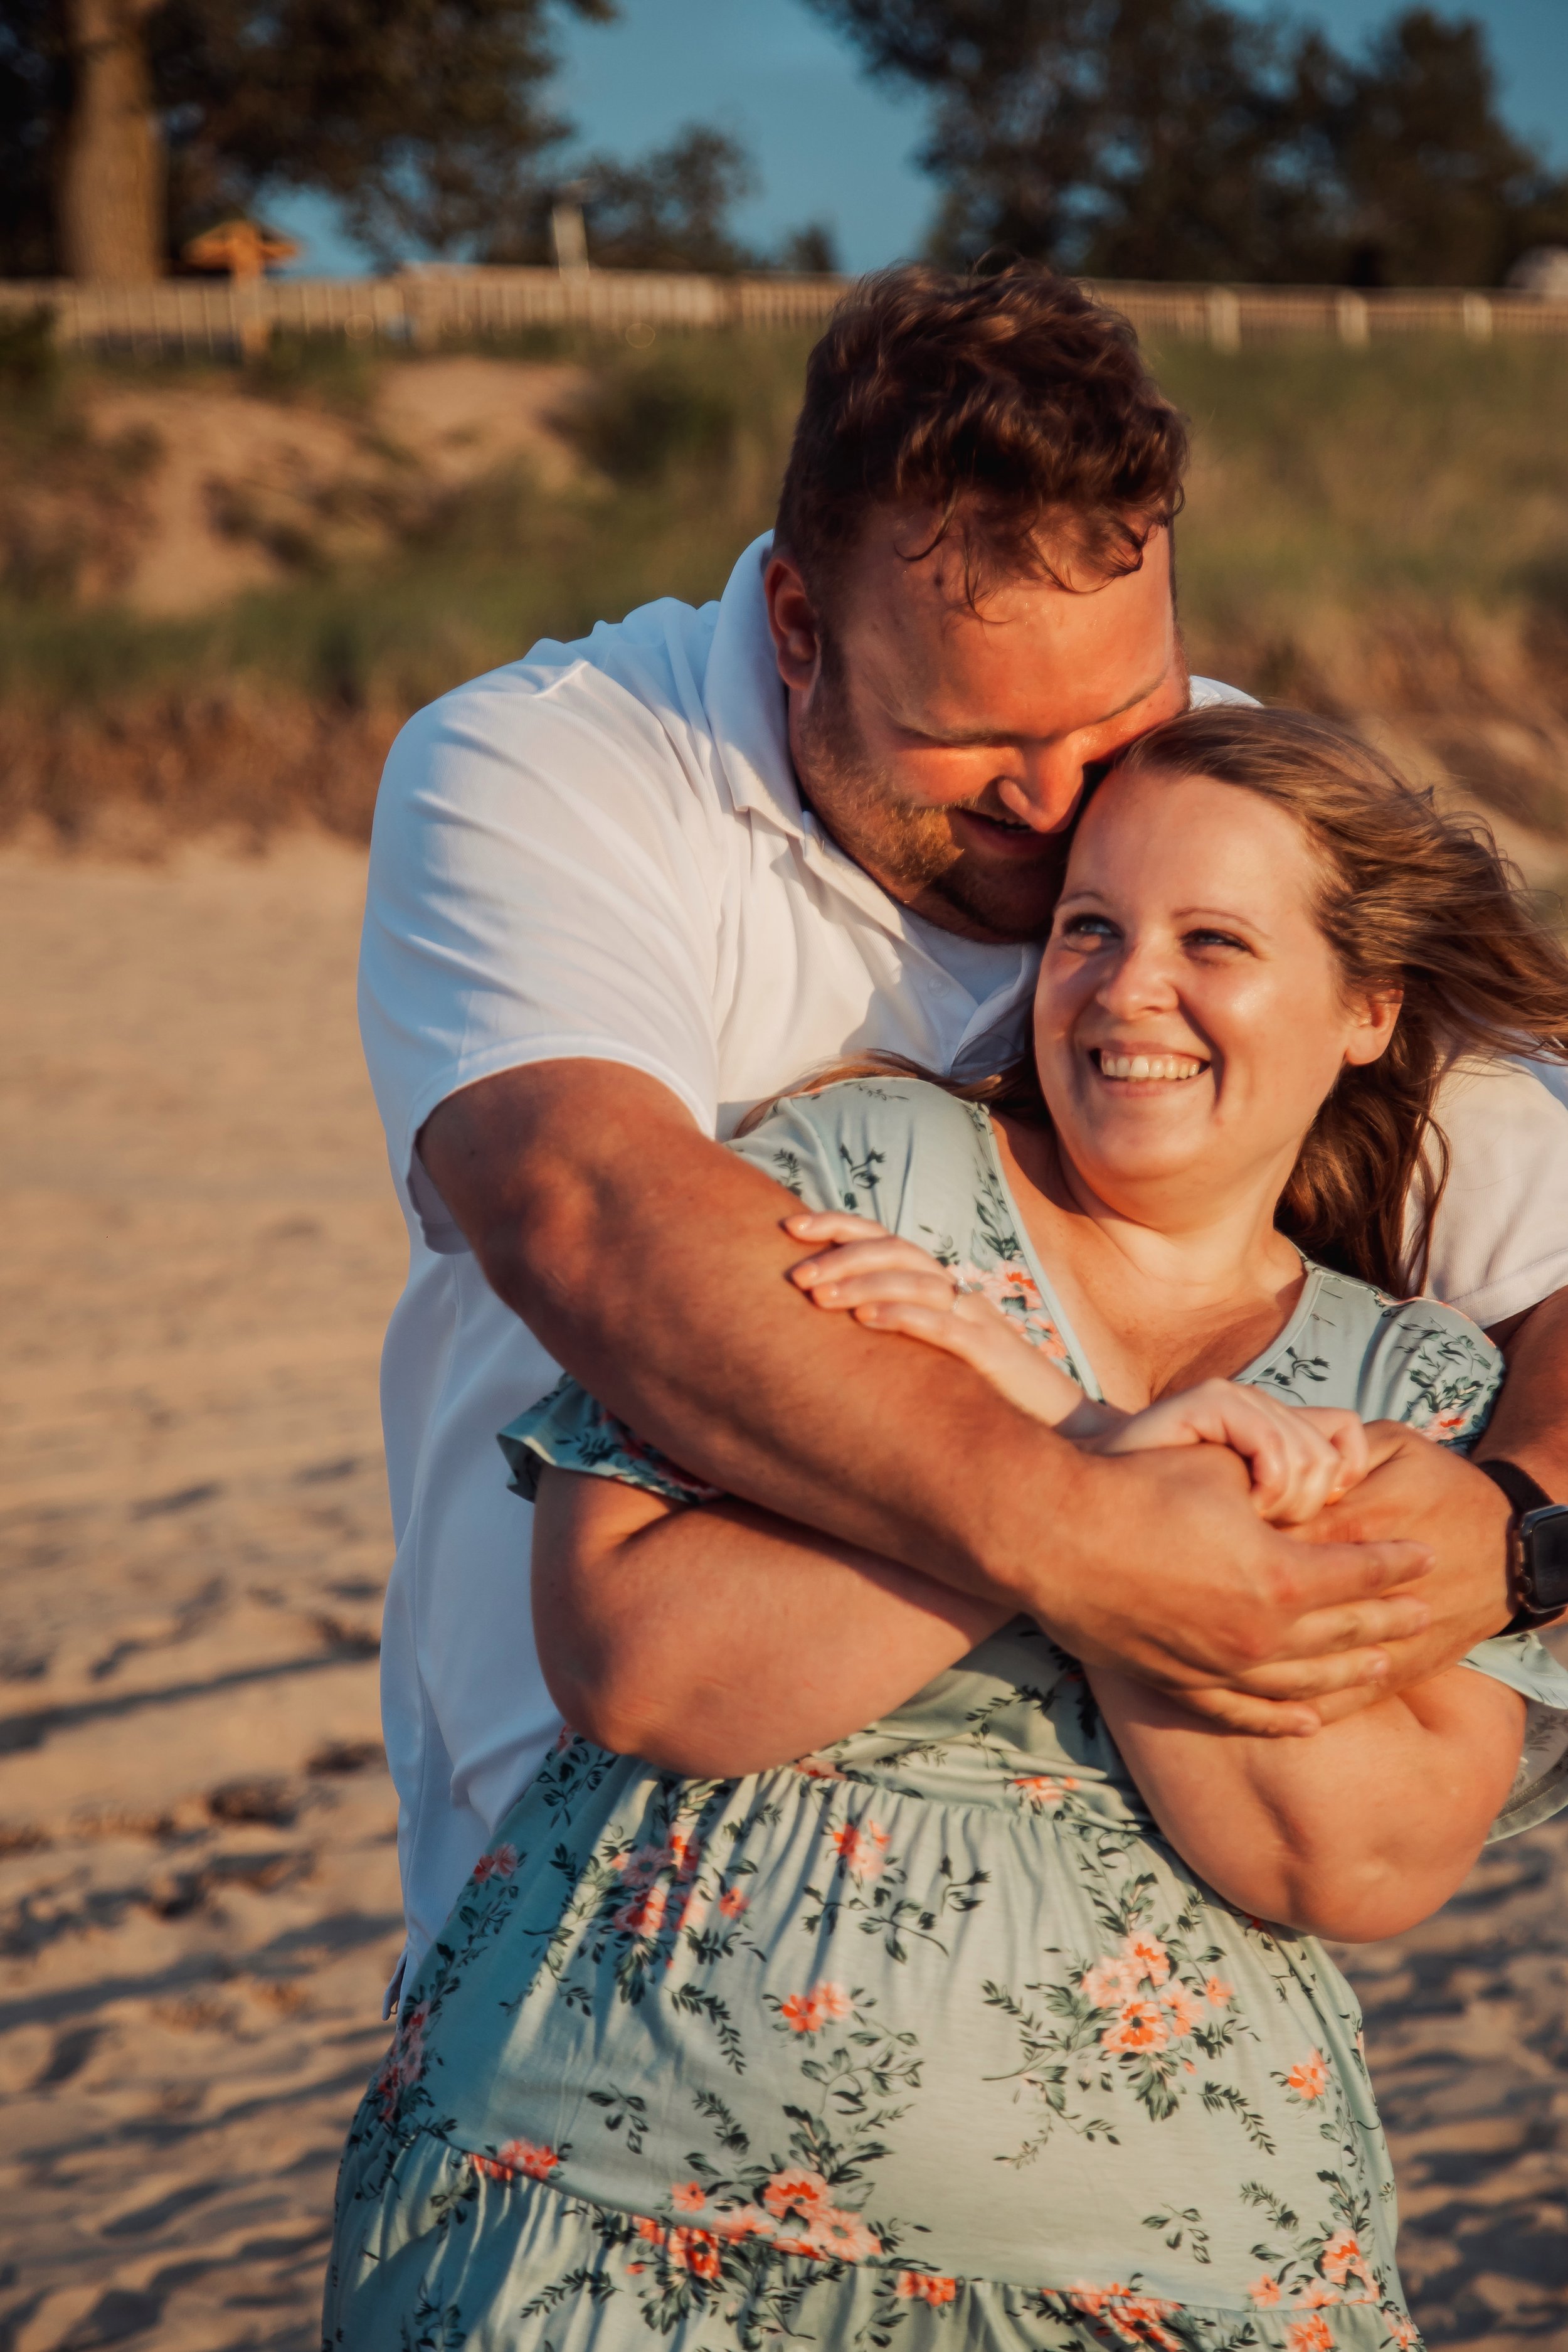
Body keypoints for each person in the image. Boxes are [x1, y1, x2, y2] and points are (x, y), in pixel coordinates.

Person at [358, 262, 1568, 2005]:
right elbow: (588, 1211)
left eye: (1117, 714)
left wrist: (1515, 1522)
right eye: (971, 736)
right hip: (597, 1920)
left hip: (1115, 1991)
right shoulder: (553, 770)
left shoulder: (1212, 807)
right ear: (794, 625)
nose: (1062, 801)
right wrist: (1085, 1496)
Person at [326, 708, 1568, 2348]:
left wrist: (1062, 1441)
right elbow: (636, 1660)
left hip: (1161, 2276)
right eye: (1087, 929)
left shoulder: (1415, 1389)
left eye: (1211, 941)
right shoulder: (854, 1177)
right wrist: (1118, 1489)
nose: (1126, 988)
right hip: (598, 2216)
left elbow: (1351, 1848)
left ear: (1363, 1010)